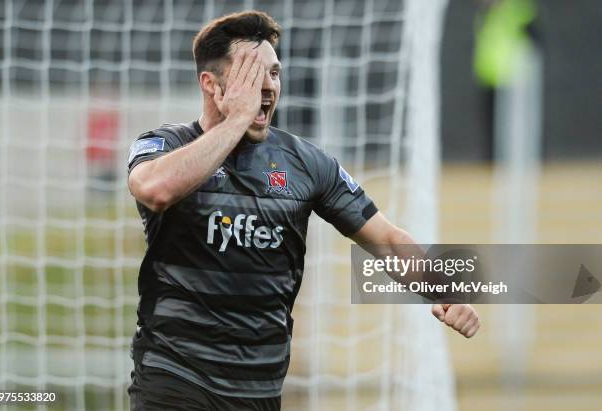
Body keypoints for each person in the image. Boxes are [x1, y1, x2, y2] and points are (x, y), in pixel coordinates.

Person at [126, 10, 480, 411]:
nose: (267, 86)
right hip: (174, 379)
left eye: (274, 74)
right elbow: (154, 190)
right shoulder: (165, 145)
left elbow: (387, 238)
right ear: (211, 84)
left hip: (259, 389)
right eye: (249, 74)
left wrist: (442, 288)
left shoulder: (305, 163)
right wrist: (236, 121)